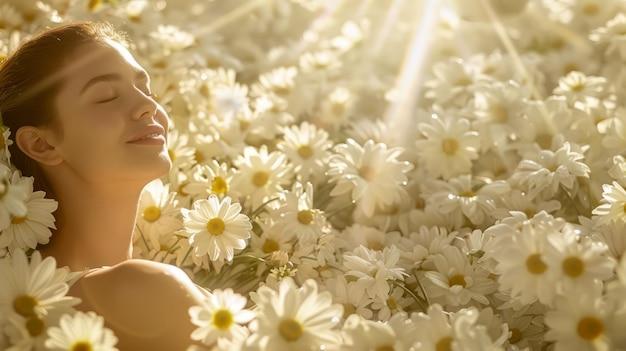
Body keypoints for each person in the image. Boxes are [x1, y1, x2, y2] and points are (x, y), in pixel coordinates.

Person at [0, 22, 206, 349]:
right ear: (41, 144)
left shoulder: (24, 313)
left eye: (146, 90)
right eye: (106, 97)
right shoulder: (142, 290)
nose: (149, 105)